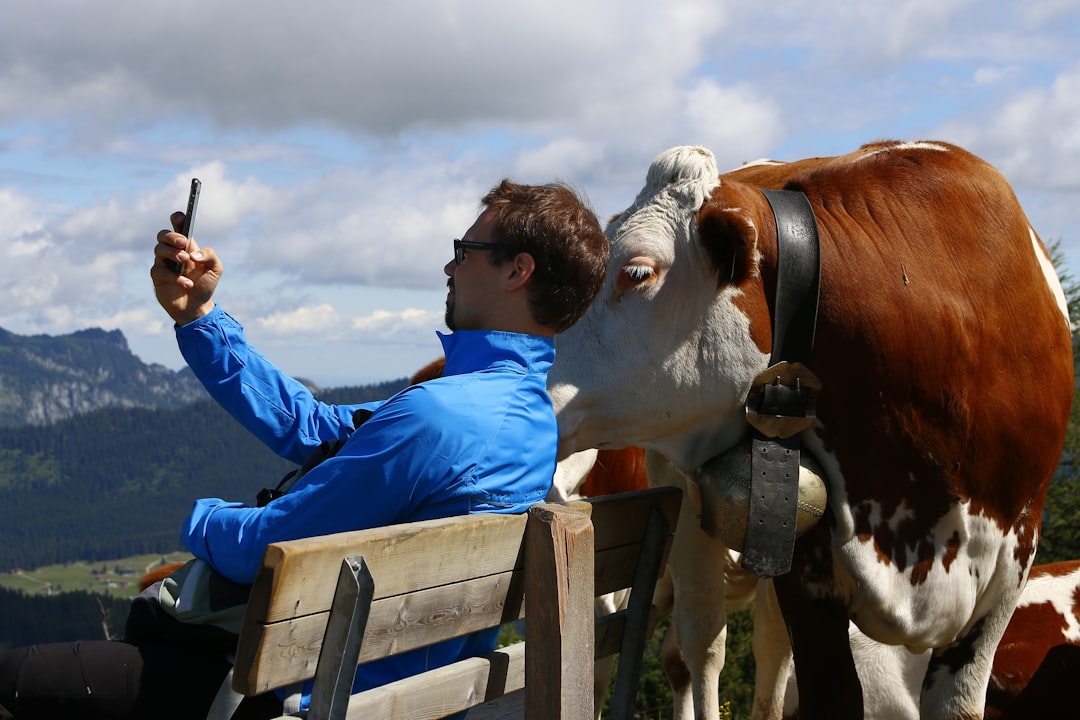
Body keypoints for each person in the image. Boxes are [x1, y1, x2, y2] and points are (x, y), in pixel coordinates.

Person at [0, 179, 609, 720]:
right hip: (391, 685)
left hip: (314, 692)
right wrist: (200, 317)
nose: (450, 269)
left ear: (516, 271)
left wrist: (199, 519)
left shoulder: (441, 415)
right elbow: (318, 427)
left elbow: (269, 547)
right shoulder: (522, 418)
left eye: (464, 251)